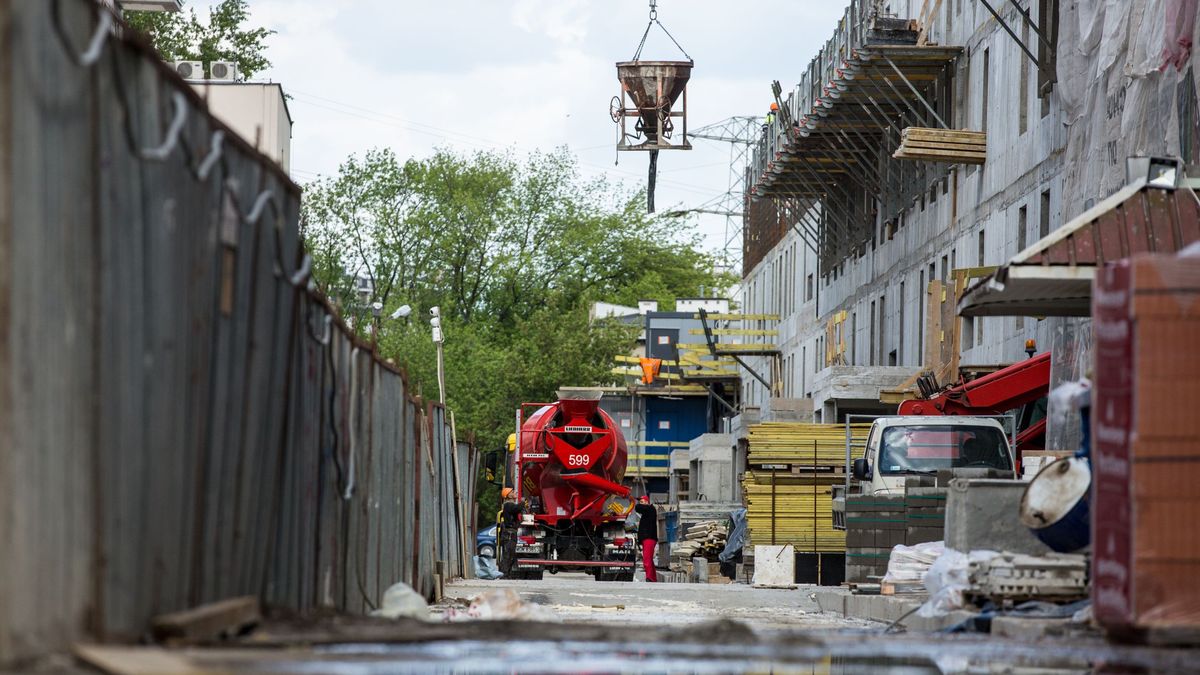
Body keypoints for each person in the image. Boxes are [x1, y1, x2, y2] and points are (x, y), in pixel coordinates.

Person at [634, 495, 659, 582]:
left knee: (647, 560)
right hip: (648, 538)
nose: (640, 503)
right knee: (649, 560)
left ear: (647, 502)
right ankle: (653, 578)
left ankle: (649, 578)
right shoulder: (647, 511)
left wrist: (636, 503)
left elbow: (637, 507)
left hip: (649, 538)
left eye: (642, 502)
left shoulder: (650, 509)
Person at [498, 487, 522, 576]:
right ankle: (504, 574)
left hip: (511, 533)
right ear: (508, 495)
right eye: (512, 492)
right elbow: (517, 508)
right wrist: (523, 503)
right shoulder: (508, 505)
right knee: (508, 554)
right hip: (509, 534)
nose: (515, 492)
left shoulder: (510, 505)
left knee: (511, 554)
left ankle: (507, 574)